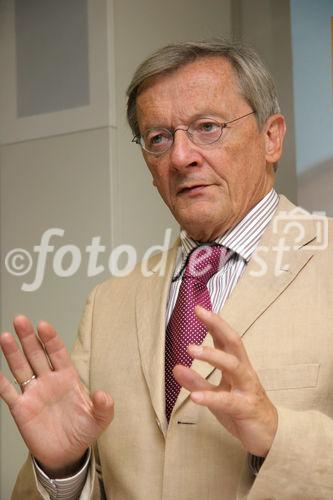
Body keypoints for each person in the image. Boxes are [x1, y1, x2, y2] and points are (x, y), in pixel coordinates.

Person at [1, 39, 333, 500]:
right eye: (159, 138)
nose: (181, 157)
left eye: (208, 127)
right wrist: (64, 469)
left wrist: (277, 434)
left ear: (271, 136)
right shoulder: (107, 304)